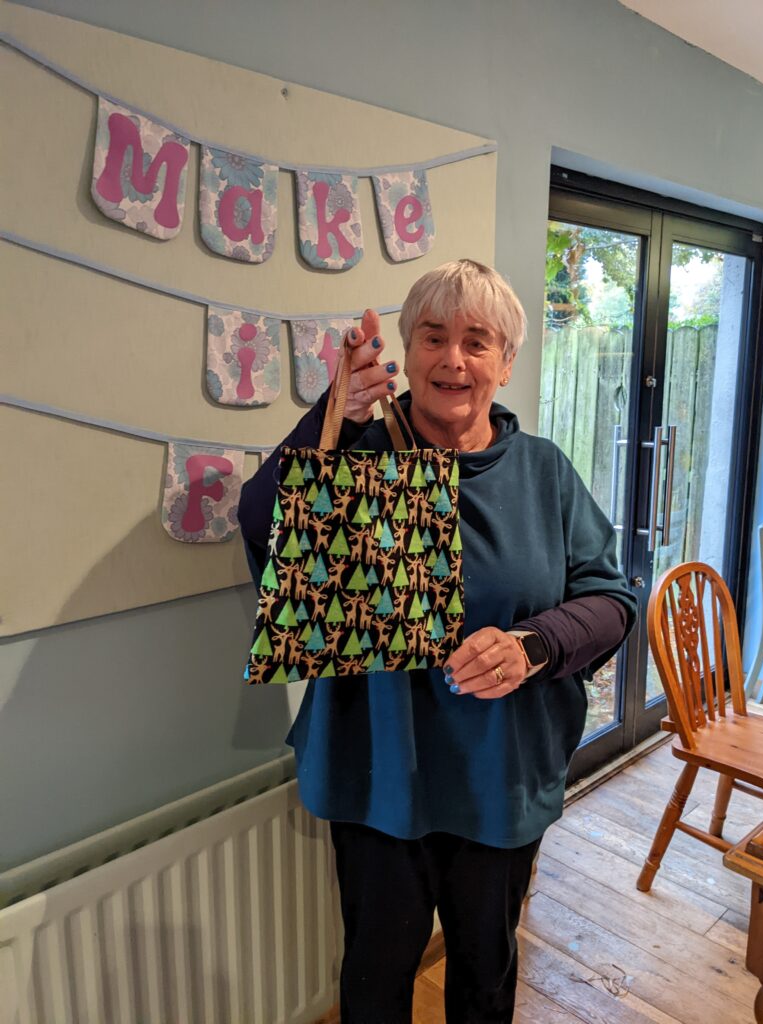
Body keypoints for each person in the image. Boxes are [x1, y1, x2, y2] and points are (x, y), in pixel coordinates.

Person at [238, 259, 637, 1023]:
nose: (454, 359)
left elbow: (612, 598)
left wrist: (534, 644)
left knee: (485, 979)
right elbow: (262, 528)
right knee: (374, 982)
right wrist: (333, 415)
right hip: (379, 777)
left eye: (477, 342)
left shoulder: (544, 472)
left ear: (506, 361)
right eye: (433, 337)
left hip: (500, 780)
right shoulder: (359, 458)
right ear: (406, 354)